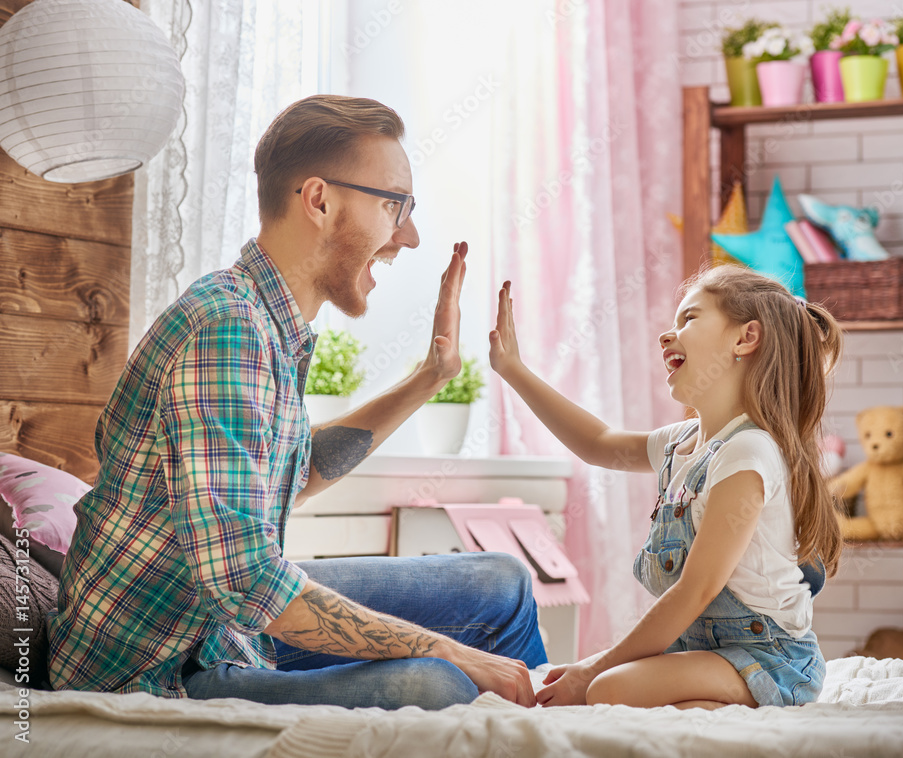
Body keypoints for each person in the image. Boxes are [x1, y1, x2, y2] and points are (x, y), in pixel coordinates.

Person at [46, 95, 546, 710]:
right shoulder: (227, 330)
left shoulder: (265, 327)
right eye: (396, 205)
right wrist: (443, 649)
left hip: (224, 633)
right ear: (319, 200)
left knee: (503, 583)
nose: (408, 236)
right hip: (164, 667)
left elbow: (291, 476)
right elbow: (244, 579)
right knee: (435, 683)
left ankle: (540, 729)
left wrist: (428, 379)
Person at [488, 264, 844, 709]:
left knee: (607, 688)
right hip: (705, 650)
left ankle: (741, 710)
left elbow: (697, 589)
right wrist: (512, 369)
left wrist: (594, 671)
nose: (667, 334)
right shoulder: (682, 443)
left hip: (769, 657)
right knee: (598, 686)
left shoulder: (747, 452)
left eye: (690, 318)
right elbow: (597, 444)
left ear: (745, 338)